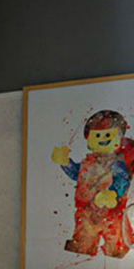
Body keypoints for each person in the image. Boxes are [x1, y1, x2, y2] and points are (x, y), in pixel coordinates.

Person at [52, 109, 134, 257]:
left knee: (114, 240)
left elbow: (122, 179)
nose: (102, 138)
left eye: (108, 135)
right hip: (86, 210)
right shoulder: (88, 162)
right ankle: (82, 250)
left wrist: (113, 193)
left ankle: (115, 253)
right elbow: (77, 174)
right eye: (96, 135)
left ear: (119, 138)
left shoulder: (116, 162)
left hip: (111, 211)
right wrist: (65, 162)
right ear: (88, 140)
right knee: (83, 238)